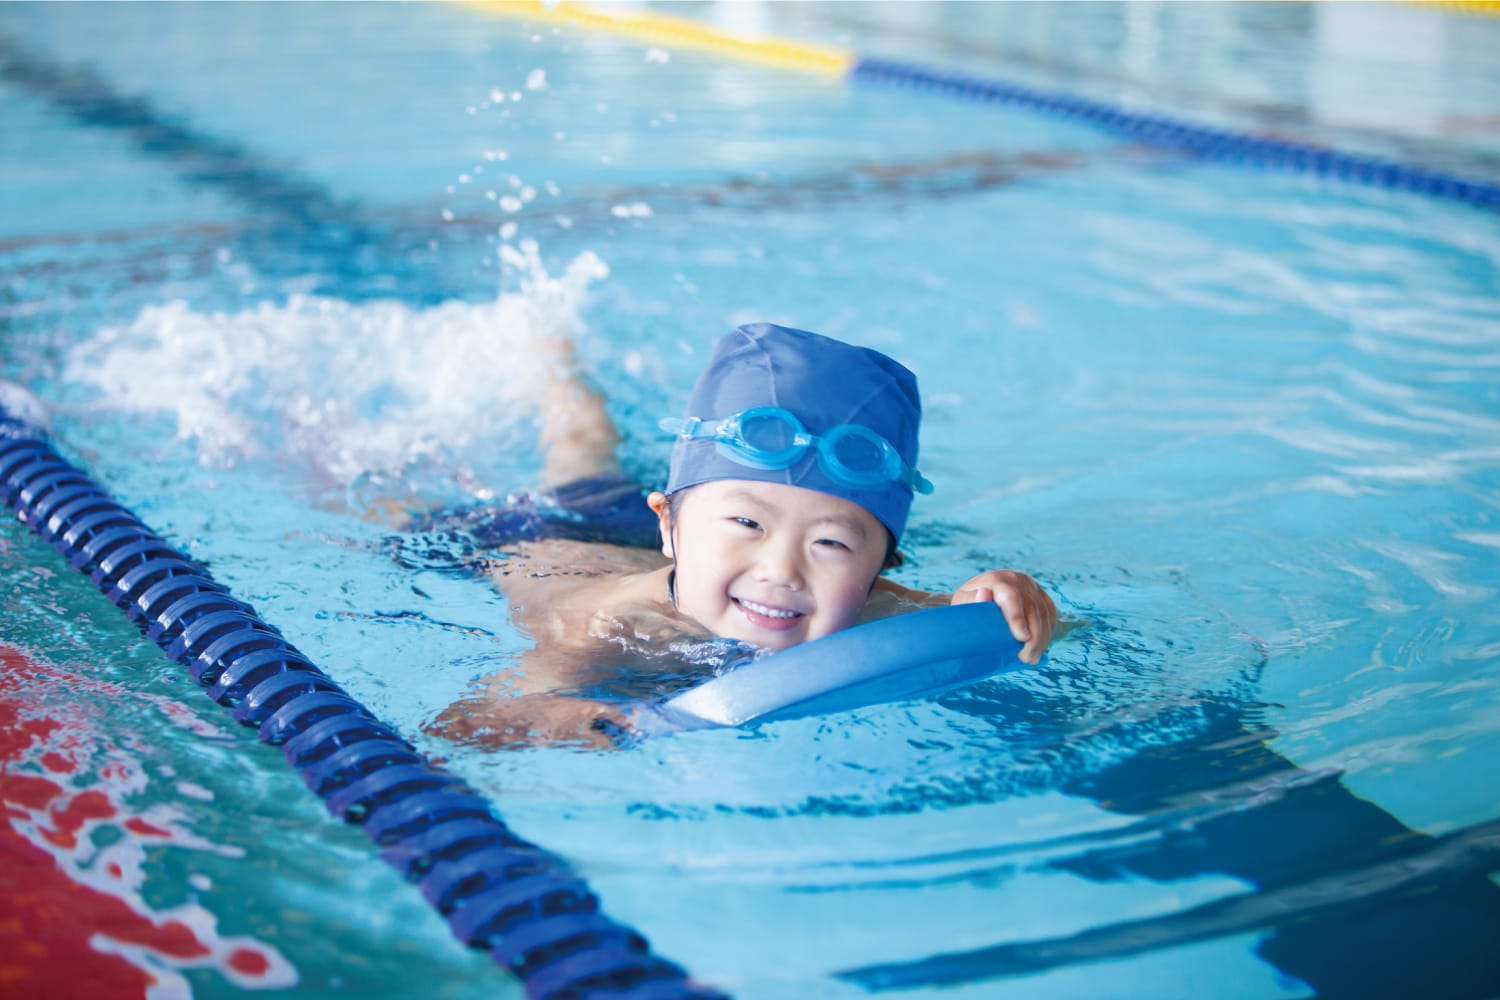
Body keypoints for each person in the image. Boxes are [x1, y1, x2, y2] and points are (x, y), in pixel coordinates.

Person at [410, 323, 1056, 746]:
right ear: (670, 525)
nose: (781, 569)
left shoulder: (873, 602)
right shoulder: (607, 626)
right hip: (523, 540)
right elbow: (466, 723)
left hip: (703, 543)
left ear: (880, 570)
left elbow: (1000, 627)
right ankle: (554, 360)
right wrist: (565, 715)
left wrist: (1004, 596)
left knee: (597, 462)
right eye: (752, 525)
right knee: (574, 453)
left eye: (830, 544)